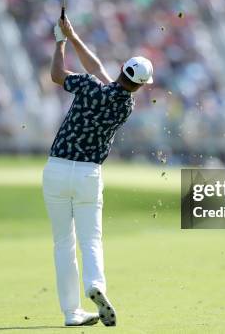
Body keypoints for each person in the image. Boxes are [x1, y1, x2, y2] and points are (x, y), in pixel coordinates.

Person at [42, 16, 153, 327]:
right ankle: (97, 285)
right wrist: (73, 35)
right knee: (91, 239)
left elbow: (56, 75)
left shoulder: (90, 87)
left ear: (121, 70)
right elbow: (97, 70)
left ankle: (71, 312)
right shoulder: (126, 105)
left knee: (63, 243)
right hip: (89, 175)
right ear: (140, 85)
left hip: (57, 169)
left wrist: (60, 42)